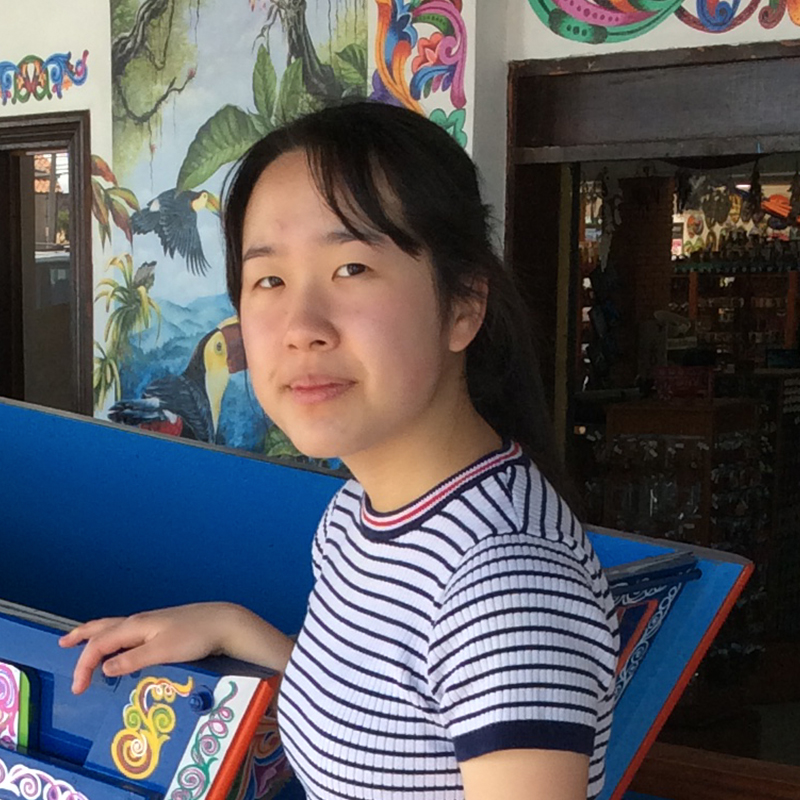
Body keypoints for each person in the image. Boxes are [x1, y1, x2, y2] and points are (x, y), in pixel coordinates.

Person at [60, 101, 618, 800]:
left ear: (464, 305)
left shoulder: (503, 586)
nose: (301, 327)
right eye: (269, 279)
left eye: (351, 267)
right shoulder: (358, 513)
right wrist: (233, 625)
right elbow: (393, 715)